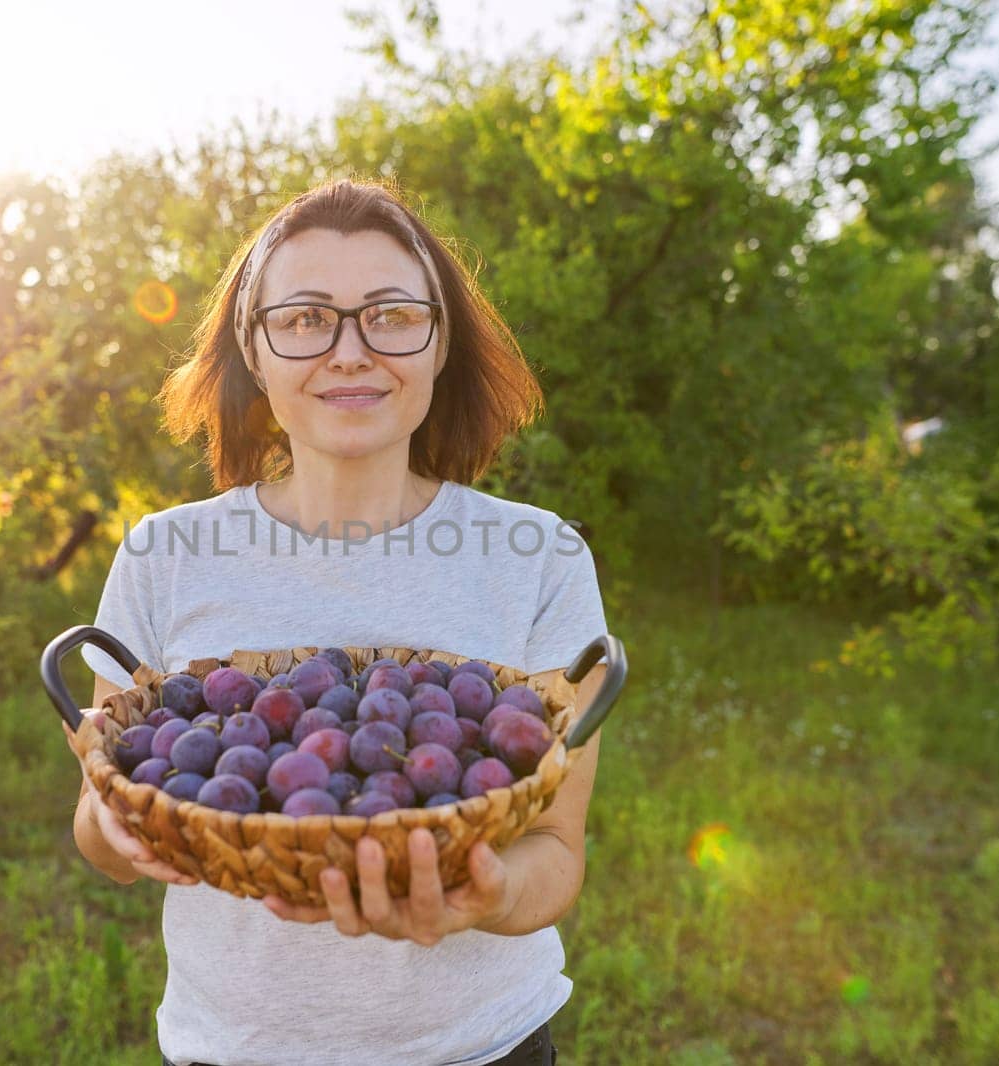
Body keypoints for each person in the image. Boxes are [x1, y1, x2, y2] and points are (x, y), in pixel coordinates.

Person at [62, 178, 608, 1066]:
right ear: (256, 349)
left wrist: (490, 894)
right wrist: (113, 828)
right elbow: (104, 820)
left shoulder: (536, 555)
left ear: (438, 344)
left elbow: (554, 849)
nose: (350, 352)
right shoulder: (164, 555)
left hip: (479, 1047)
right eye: (307, 319)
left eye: (390, 315)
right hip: (235, 1050)